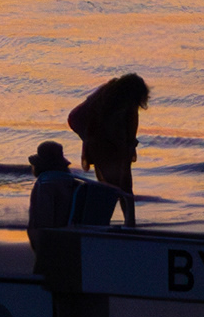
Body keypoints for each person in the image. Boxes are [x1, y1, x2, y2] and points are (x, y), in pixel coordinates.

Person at [68, 73, 151, 228]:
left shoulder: (123, 101)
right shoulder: (109, 101)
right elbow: (76, 118)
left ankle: (127, 222)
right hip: (101, 142)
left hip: (112, 142)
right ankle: (102, 222)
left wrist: (128, 146)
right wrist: (91, 139)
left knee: (122, 185)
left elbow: (128, 128)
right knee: (113, 186)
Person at [24, 139, 81, 248]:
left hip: (50, 242)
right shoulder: (74, 183)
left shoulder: (45, 183)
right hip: (73, 239)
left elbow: (43, 219)